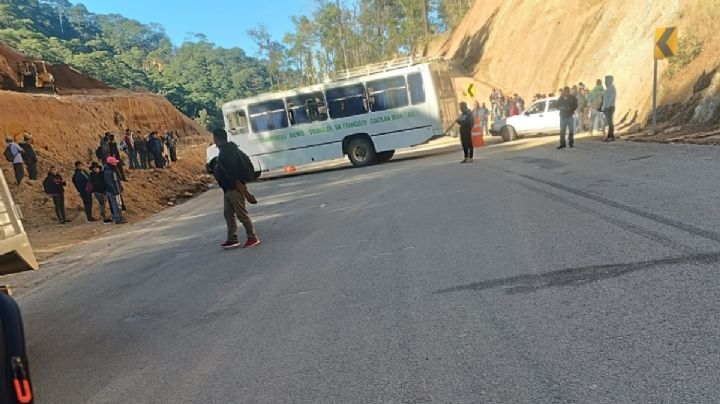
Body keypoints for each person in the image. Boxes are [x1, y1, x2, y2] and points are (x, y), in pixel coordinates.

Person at [212, 128, 260, 249]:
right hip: (228, 189)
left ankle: (252, 237)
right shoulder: (228, 149)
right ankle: (232, 238)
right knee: (228, 214)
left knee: (241, 214)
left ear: (216, 138)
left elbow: (232, 173)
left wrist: (239, 188)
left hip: (234, 188)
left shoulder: (226, 153)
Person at [104, 156, 124, 224]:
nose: (115, 164)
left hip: (116, 190)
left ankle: (120, 217)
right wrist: (114, 191)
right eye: (114, 163)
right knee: (115, 205)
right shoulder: (108, 172)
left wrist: (120, 187)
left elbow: (116, 180)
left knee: (119, 205)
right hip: (112, 191)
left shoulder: (112, 170)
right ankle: (117, 219)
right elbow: (109, 183)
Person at [603, 75, 617, 142]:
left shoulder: (612, 88)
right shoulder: (608, 89)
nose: (605, 82)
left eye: (606, 80)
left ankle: (611, 136)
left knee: (610, 122)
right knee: (609, 122)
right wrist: (604, 107)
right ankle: (610, 135)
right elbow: (605, 99)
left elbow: (612, 98)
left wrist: (607, 106)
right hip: (607, 108)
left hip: (610, 107)